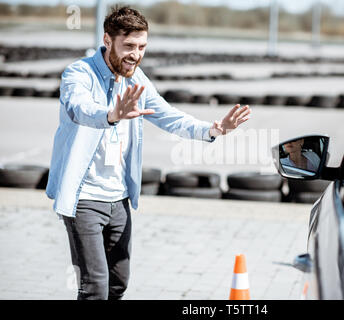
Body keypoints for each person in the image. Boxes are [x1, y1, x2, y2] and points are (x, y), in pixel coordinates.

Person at [45, 6, 251, 300]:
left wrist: (213, 129)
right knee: (95, 287)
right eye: (128, 46)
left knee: (118, 283)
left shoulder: (136, 78)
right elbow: (80, 108)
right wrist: (111, 114)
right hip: (84, 198)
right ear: (107, 39)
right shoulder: (79, 73)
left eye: (142, 47)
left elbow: (169, 116)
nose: (136, 54)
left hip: (119, 199)